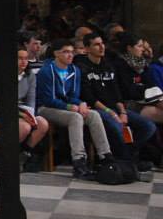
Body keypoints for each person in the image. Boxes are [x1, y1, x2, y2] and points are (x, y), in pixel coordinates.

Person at [37, 39, 113, 178]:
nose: (70, 55)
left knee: (94, 115)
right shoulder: (46, 71)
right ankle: (79, 161)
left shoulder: (75, 70)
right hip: (46, 109)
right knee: (75, 117)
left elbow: (73, 95)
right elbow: (48, 100)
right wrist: (69, 107)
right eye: (65, 52)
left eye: (72, 52)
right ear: (56, 54)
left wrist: (80, 103)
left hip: (66, 107)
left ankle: (105, 156)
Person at [77, 33, 157, 163]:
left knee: (148, 126)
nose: (101, 47)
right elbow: (88, 96)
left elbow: (116, 92)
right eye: (96, 44)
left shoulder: (108, 66)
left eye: (102, 43)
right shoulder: (82, 67)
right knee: (117, 127)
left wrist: (122, 112)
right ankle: (127, 160)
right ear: (87, 48)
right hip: (98, 109)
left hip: (115, 107)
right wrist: (111, 112)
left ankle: (128, 155)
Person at [15, 48, 50, 171]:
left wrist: (30, 115)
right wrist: (22, 115)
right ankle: (8, 154)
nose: (23, 61)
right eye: (20, 58)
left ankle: (24, 153)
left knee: (42, 123)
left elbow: (31, 99)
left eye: (25, 58)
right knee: (25, 127)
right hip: (7, 111)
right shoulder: (4, 76)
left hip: (25, 110)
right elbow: (2, 103)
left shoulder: (30, 76)